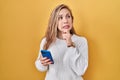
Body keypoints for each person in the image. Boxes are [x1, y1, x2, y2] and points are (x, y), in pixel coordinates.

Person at [35, 4, 88, 80]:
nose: (65, 21)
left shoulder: (81, 41)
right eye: (60, 18)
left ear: (72, 19)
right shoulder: (47, 41)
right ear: (54, 22)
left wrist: (70, 44)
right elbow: (41, 68)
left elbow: (81, 70)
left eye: (68, 16)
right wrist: (42, 63)